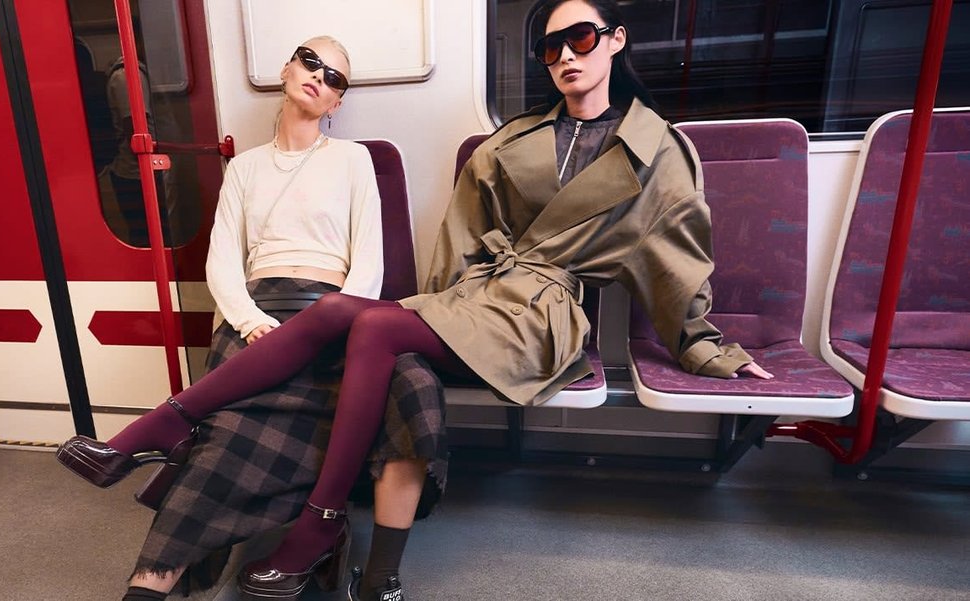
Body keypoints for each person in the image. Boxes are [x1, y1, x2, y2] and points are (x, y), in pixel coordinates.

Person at [69, 0, 778, 597]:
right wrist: (449, 304)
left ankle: (243, 475)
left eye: (581, 39)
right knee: (362, 325)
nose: (565, 55)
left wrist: (704, 346)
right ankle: (292, 508)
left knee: (361, 320)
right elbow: (463, 240)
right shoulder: (515, 140)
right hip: (481, 296)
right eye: (550, 46)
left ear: (616, 41)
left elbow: (675, 257)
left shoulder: (656, 149)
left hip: (547, 312)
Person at [60, 36, 444, 601]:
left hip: (335, 310)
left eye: (334, 78)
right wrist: (248, 321)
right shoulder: (243, 167)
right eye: (310, 62)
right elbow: (222, 262)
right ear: (286, 68)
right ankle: (146, 590)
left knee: (413, 383)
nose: (319, 77)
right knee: (227, 438)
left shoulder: (353, 159)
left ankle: (378, 575)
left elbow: (369, 266)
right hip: (258, 313)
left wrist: (334, 328)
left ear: (337, 102)